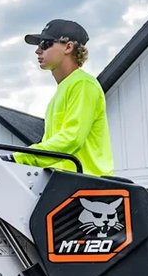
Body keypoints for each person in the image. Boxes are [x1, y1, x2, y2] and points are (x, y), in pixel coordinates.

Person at [13, 19, 114, 177]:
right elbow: (52, 146)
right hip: (63, 182)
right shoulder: (58, 95)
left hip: (87, 185)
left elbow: (71, 138)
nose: (38, 51)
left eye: (45, 43)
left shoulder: (84, 84)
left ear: (68, 47)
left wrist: (19, 157)